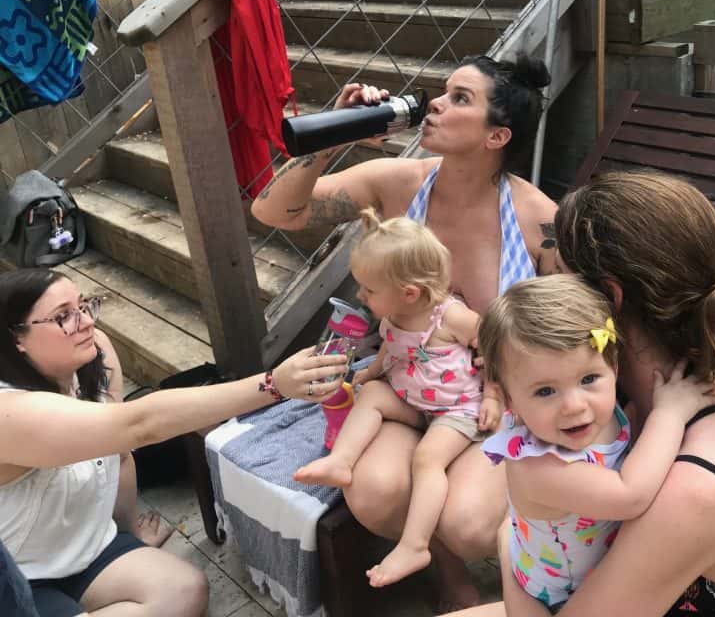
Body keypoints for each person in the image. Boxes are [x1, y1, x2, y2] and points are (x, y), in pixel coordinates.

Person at [252, 53, 558, 609]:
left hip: (487, 405)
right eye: (443, 91)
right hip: (407, 386)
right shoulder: (398, 184)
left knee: (467, 524)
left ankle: (496, 557)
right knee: (371, 493)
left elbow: (572, 329)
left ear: (497, 136)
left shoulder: (538, 219)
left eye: (460, 98)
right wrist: (335, 136)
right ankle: (447, 575)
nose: (435, 103)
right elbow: (276, 212)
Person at [450, 170, 715, 617]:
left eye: (560, 276)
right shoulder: (653, 391)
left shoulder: (693, 490)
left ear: (609, 297)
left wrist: (508, 540)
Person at [0, 268, 347, 617]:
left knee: (185, 591)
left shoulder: (95, 352)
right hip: (19, 575)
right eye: (63, 317)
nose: (86, 322)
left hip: (86, 550)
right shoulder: (9, 412)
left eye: (84, 306)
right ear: (16, 338)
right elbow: (139, 424)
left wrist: (130, 533)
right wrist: (273, 384)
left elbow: (120, 454)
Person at [477, 274, 714, 614]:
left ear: (613, 366)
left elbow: (623, 439)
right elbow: (630, 496)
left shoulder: (596, 415)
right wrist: (669, 415)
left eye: (588, 379)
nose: (574, 405)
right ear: (509, 399)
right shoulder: (536, 467)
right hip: (557, 597)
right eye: (545, 391)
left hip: (594, 566)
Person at [295, 209, 503, 587]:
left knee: (427, 459)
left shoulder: (451, 317)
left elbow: (494, 348)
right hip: (417, 403)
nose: (360, 295)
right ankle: (342, 461)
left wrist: (492, 395)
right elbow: (392, 349)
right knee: (373, 393)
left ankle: (415, 545)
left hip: (459, 411)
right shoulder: (393, 314)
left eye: (369, 290)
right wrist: (372, 372)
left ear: (409, 293)